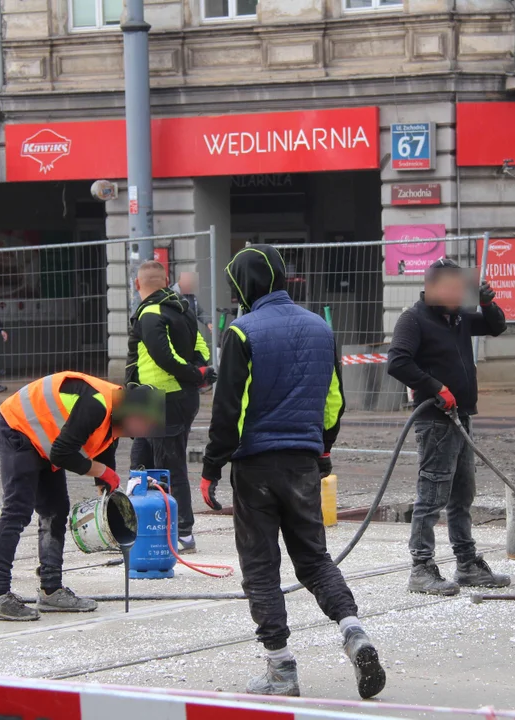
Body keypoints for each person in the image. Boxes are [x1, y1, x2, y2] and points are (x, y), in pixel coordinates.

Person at [200, 245, 385, 700]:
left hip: (256, 466)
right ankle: (354, 631)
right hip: (304, 461)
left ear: (246, 284)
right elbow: (333, 400)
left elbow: (230, 410)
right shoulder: (321, 328)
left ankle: (281, 670)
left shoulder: (241, 332)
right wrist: (322, 449)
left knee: (261, 568)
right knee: (315, 561)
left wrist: (210, 467)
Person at [0, 372, 163, 621]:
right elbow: (62, 454)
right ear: (134, 414)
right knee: (17, 510)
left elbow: (104, 449)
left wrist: (104, 485)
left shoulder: (118, 414)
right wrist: (101, 472)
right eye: (147, 424)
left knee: (56, 511)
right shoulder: (97, 404)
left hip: (46, 440)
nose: (148, 431)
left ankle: (51, 589)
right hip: (18, 427)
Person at [386, 258, 511, 596]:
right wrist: (436, 387)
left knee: (461, 495)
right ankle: (421, 568)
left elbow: (496, 326)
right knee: (432, 496)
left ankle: (467, 564)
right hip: (435, 422)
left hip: (461, 418)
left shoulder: (456, 318)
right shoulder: (414, 319)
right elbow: (397, 362)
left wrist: (487, 302)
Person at [126, 261, 216, 554]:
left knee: (168, 465)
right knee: (140, 463)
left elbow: (163, 358)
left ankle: (183, 532)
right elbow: (201, 344)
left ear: (137, 285)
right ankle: (139, 525)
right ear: (166, 281)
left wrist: (195, 374)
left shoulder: (151, 313)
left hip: (163, 398)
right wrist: (202, 371)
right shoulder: (181, 308)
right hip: (148, 397)